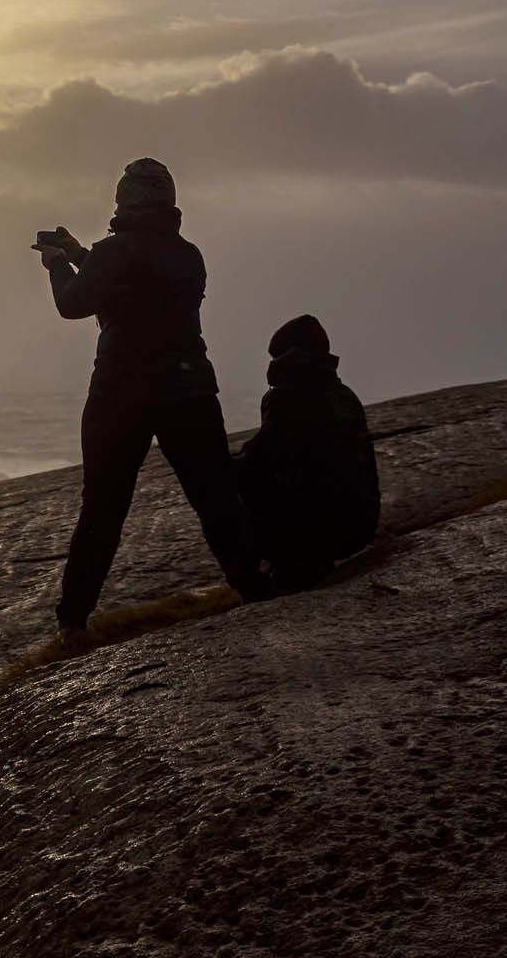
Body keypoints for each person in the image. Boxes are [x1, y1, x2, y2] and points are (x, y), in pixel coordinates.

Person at [35, 158, 271, 633]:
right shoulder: (188, 255)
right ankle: (255, 588)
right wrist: (83, 252)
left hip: (120, 392)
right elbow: (130, 283)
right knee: (216, 496)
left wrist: (58, 264)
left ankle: (72, 621)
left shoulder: (114, 252)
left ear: (124, 200)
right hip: (189, 388)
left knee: (103, 506)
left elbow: (74, 304)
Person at [234, 314, 380, 591]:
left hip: (317, 530)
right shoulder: (344, 394)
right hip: (360, 523)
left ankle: (264, 576)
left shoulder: (288, 397)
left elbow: (259, 458)